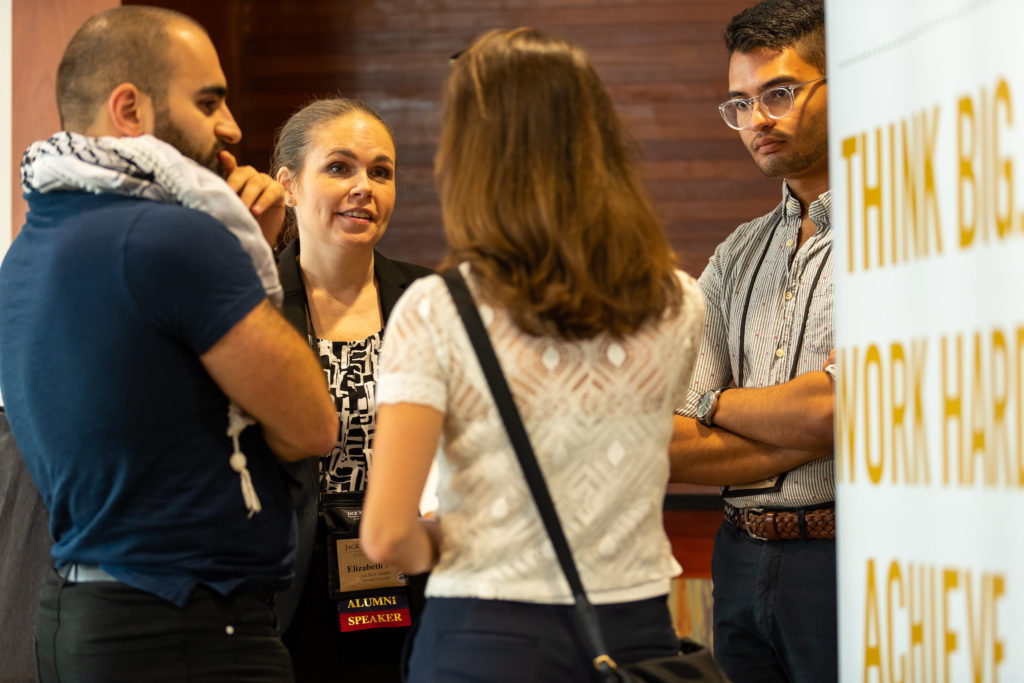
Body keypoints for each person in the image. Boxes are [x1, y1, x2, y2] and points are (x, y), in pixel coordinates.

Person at [0, 7, 338, 682]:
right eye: (208, 101)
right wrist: (251, 252)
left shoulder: (30, 244)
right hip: (189, 629)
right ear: (129, 108)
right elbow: (311, 423)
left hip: (76, 611)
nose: (232, 128)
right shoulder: (177, 239)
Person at [359, 27, 706, 683]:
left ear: (473, 157)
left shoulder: (437, 309)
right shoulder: (679, 302)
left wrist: (452, 535)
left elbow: (385, 536)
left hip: (488, 633)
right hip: (636, 632)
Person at [668, 1, 837, 681]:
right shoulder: (738, 253)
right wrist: (797, 418)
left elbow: (837, 409)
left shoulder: (899, 238)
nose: (758, 120)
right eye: (740, 102)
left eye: (780, 93)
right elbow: (666, 435)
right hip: (738, 557)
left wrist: (713, 401)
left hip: (845, 558)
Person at [270, 98, 432, 682]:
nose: (364, 186)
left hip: (417, 582)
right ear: (287, 185)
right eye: (339, 167)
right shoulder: (252, 306)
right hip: (286, 594)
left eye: (380, 172)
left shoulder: (430, 299)